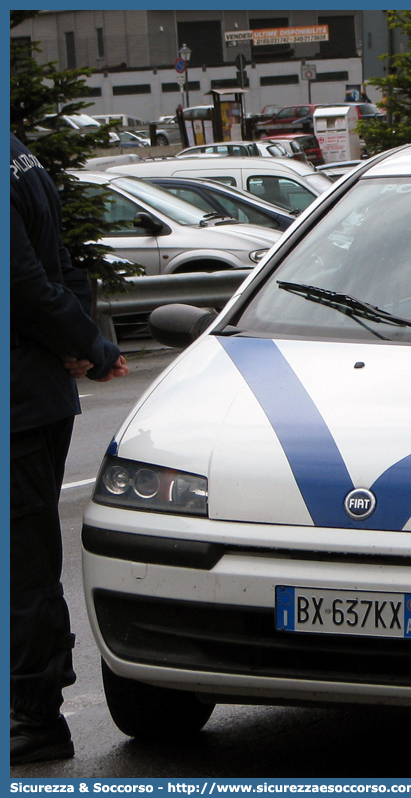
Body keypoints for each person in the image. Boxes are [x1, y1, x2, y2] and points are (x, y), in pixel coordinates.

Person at [10, 133, 130, 765]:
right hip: (34, 394)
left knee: (21, 567)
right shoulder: (18, 155)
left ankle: (33, 715)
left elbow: (25, 281)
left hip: (18, 406)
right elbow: (58, 267)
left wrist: (91, 342)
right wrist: (85, 340)